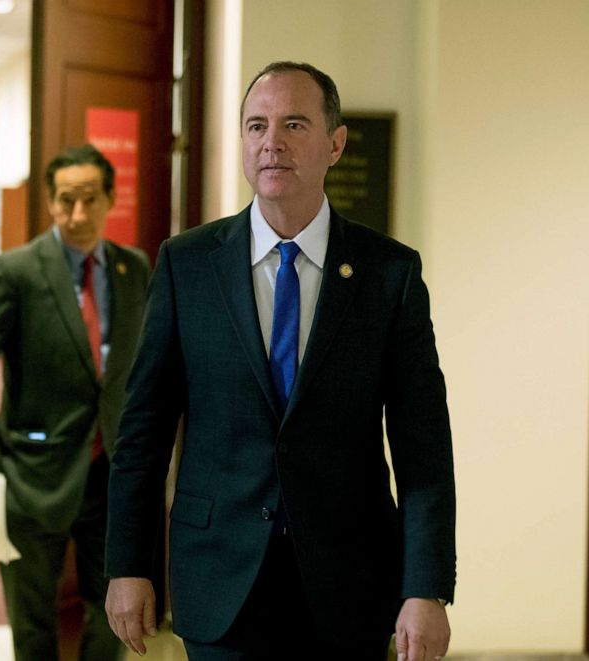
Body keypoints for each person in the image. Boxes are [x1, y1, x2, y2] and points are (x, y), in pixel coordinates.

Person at [105, 61, 456, 661]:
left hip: (351, 584)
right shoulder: (187, 264)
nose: (272, 142)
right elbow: (143, 432)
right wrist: (128, 565)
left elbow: (423, 448)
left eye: (294, 124)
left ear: (335, 144)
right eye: (256, 126)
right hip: (219, 576)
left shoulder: (388, 274)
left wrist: (425, 589)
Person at [0, 144, 151, 661]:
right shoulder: (17, 271)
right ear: (50, 203)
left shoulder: (133, 268)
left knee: (117, 614)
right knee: (32, 624)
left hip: (113, 473)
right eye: (65, 201)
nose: (77, 215)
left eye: (89, 200)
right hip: (31, 472)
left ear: (110, 200)